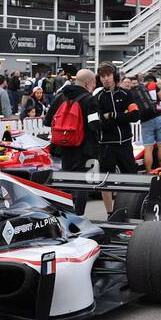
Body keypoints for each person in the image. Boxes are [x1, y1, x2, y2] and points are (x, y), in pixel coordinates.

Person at [44, 69, 100, 213]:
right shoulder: (89, 99)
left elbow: (47, 121)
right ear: (87, 83)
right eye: (93, 83)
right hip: (84, 147)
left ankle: (63, 212)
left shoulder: (61, 96)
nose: (94, 86)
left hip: (64, 147)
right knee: (82, 183)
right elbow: (94, 126)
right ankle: (79, 215)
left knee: (66, 180)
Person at [93, 64, 140, 211]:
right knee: (105, 179)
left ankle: (127, 209)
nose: (106, 79)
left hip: (125, 143)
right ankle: (109, 212)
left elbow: (135, 116)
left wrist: (112, 116)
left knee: (131, 178)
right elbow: (98, 122)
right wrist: (121, 116)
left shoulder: (126, 94)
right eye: (102, 76)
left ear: (114, 76)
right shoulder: (97, 98)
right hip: (106, 144)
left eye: (108, 75)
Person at [138, 73, 161, 173]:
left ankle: (148, 172)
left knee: (148, 148)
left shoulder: (139, 90)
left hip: (146, 119)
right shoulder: (154, 85)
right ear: (153, 81)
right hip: (159, 117)